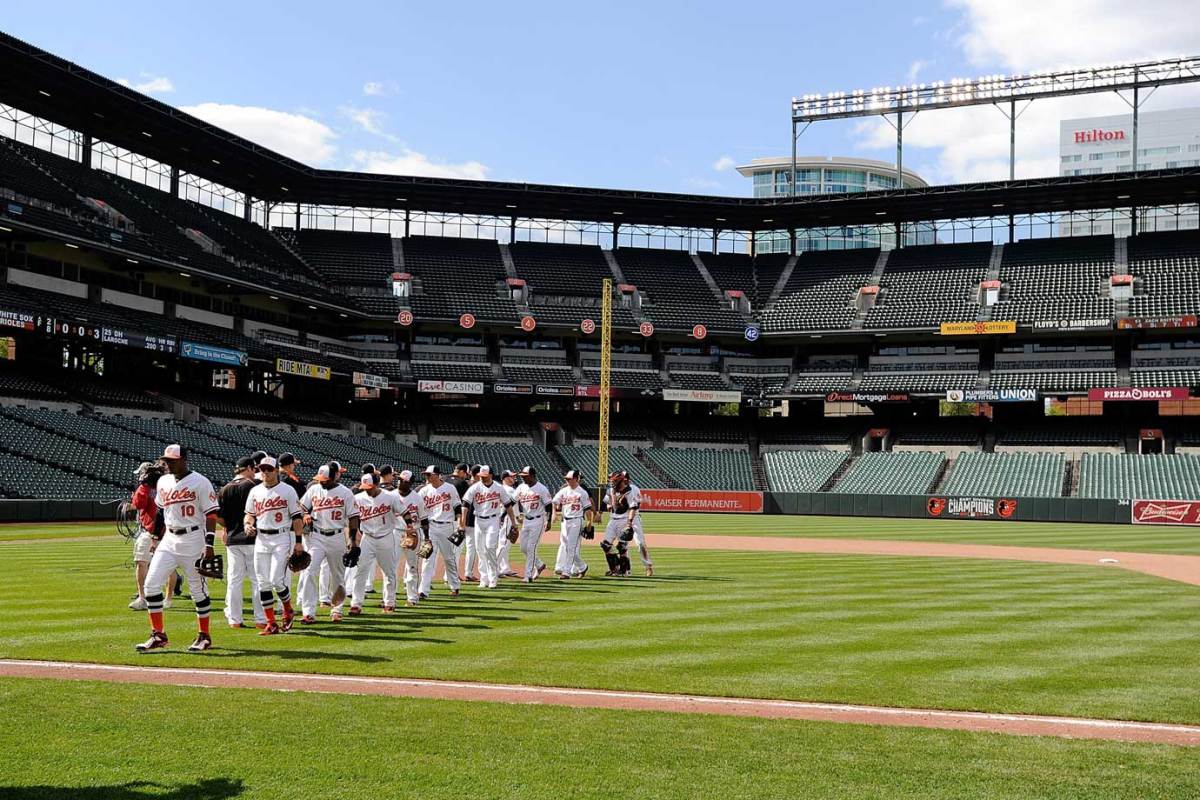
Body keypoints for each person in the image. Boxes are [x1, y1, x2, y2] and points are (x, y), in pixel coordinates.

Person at [134, 444, 218, 653]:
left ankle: (204, 636)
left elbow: (211, 514)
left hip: (193, 538)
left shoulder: (200, 481)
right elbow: (161, 512)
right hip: (169, 538)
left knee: (197, 590)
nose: (167, 464)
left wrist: (209, 544)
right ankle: (158, 635)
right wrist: (155, 536)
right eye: (166, 461)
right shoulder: (163, 481)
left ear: (183, 460)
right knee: (152, 585)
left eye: (171, 460)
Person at [244, 455, 305, 635]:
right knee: (262, 583)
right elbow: (249, 514)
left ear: (276, 470)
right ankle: (271, 623)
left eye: (268, 469)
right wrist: (248, 524)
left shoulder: (287, 490)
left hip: (281, 537)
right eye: (261, 469)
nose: (264, 472)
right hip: (261, 538)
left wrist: (299, 542)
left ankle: (288, 610)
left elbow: (296, 518)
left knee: (277, 580)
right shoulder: (255, 491)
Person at [298, 461, 359, 623]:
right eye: (319, 479)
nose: (321, 481)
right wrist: (305, 514)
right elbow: (302, 507)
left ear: (334, 477)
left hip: (337, 536)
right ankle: (308, 612)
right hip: (316, 537)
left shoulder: (345, 493)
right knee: (309, 571)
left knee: (338, 576)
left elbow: (353, 517)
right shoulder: (313, 489)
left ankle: (337, 609)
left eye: (324, 479)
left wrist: (353, 541)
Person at [218, 456, 267, 629]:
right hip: (252, 538)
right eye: (254, 469)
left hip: (233, 538)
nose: (255, 473)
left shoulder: (224, 489)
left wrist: (229, 528)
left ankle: (235, 619)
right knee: (257, 579)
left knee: (234, 580)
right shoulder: (253, 486)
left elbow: (219, 517)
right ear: (248, 468)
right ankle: (261, 619)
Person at [349, 473, 405, 614]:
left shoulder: (390, 497)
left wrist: (410, 527)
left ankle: (389, 602)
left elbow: (404, 512)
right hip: (367, 538)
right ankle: (356, 604)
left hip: (386, 537)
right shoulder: (358, 498)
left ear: (376, 484)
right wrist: (353, 540)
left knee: (389, 572)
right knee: (361, 571)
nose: (367, 489)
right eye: (364, 487)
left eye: (370, 487)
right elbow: (352, 519)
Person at [461, 465, 520, 590]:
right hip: (478, 520)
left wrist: (514, 523)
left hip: (493, 519)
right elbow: (465, 503)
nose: (481, 478)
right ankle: (484, 579)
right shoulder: (475, 487)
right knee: (480, 550)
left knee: (490, 548)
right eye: (480, 476)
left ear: (491, 475)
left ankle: (493, 578)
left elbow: (508, 505)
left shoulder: (498, 488)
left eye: (484, 476)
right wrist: (462, 521)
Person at [417, 465, 464, 598]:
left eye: (429, 474)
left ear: (438, 475)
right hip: (431, 527)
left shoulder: (450, 488)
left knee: (449, 558)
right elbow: (418, 509)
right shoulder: (424, 490)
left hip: (446, 526)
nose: (427, 477)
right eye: (426, 475)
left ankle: (455, 586)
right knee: (427, 558)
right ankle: (423, 591)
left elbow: (457, 507)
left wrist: (460, 525)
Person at [598, 470, 653, 577]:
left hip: (631, 517)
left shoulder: (633, 489)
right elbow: (606, 502)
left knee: (639, 543)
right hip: (615, 519)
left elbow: (634, 506)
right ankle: (618, 569)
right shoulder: (611, 490)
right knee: (611, 545)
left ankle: (648, 566)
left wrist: (629, 523)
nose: (611, 482)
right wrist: (600, 513)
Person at [128, 461, 163, 611]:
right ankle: (165, 597)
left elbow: (138, 503)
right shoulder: (166, 484)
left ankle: (143, 598)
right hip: (167, 530)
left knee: (141, 562)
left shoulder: (146, 487)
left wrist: (142, 487)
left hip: (151, 530)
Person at [392, 469, 428, 607]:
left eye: (404, 481)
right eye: (400, 479)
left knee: (412, 566)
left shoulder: (417, 498)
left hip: (413, 533)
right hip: (396, 532)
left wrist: (427, 538)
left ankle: (412, 597)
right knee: (391, 566)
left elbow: (424, 519)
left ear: (411, 483)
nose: (401, 482)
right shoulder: (391, 495)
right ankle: (389, 597)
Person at [511, 466, 552, 583]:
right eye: (522, 476)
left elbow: (549, 505)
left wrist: (548, 521)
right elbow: (512, 501)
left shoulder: (542, 489)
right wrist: (504, 516)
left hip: (538, 520)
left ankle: (528, 575)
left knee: (531, 547)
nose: (523, 478)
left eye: (525, 476)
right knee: (523, 547)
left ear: (532, 476)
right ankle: (539, 565)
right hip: (526, 520)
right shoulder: (521, 487)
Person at [552, 469, 593, 579]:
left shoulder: (582, 492)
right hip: (565, 521)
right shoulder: (563, 491)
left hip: (576, 520)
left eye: (569, 479)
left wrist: (589, 522)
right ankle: (583, 567)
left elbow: (588, 509)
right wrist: (554, 513)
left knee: (571, 547)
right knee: (567, 547)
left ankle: (566, 572)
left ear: (576, 479)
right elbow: (554, 501)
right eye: (566, 479)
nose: (567, 481)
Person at [496, 470, 518, 577]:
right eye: (511, 477)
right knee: (503, 543)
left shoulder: (500, 488)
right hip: (507, 518)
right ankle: (494, 568)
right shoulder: (509, 490)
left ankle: (504, 568)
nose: (513, 478)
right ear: (505, 478)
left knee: (506, 545)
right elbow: (510, 506)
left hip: (501, 517)